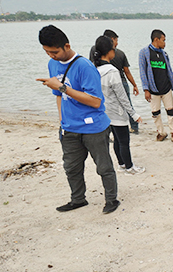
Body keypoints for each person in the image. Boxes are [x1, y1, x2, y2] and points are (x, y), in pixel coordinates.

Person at [37, 25, 120, 214]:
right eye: (47, 52)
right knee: (71, 168)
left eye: (54, 51)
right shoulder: (53, 64)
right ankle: (78, 199)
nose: (51, 56)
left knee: (103, 167)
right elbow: (57, 95)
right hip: (69, 128)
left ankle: (111, 200)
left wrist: (63, 88)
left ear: (66, 46)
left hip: (94, 128)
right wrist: (62, 120)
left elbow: (96, 101)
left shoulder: (85, 66)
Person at [93, 36, 145, 175]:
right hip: (117, 112)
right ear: (109, 51)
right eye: (113, 48)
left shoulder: (96, 70)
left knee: (116, 139)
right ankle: (129, 167)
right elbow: (122, 96)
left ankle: (121, 165)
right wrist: (133, 114)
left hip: (105, 111)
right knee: (123, 141)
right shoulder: (112, 71)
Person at [89, 29, 141, 134]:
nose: (117, 43)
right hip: (120, 82)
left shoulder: (95, 51)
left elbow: (91, 65)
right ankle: (134, 126)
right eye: (116, 40)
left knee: (106, 104)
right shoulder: (118, 54)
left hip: (102, 82)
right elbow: (127, 71)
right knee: (125, 103)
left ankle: (110, 128)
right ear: (111, 40)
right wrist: (134, 85)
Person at [139, 29, 173, 144]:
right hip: (153, 89)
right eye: (163, 40)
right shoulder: (144, 53)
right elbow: (142, 72)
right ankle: (161, 132)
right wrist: (146, 89)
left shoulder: (164, 54)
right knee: (155, 113)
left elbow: (168, 69)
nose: (165, 43)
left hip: (166, 88)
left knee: (171, 111)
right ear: (156, 40)